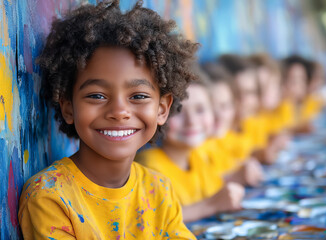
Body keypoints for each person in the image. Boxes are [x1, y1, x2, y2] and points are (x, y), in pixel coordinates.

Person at [18, 1, 198, 239]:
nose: (119, 111)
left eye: (138, 96)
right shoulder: (50, 197)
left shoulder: (159, 190)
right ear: (68, 107)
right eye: (97, 96)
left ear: (162, 109)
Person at [136, 79, 245, 223]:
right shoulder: (147, 167)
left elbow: (217, 193)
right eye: (178, 111)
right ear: (159, 114)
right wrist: (211, 205)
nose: (191, 121)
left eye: (200, 110)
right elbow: (153, 222)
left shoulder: (198, 156)